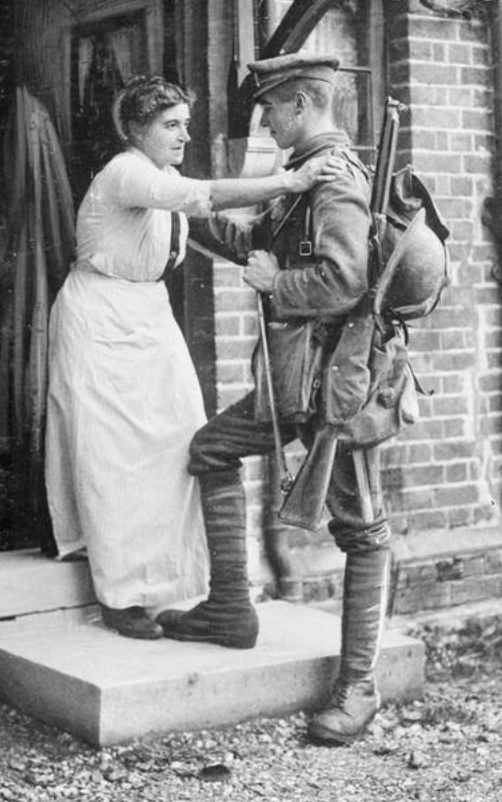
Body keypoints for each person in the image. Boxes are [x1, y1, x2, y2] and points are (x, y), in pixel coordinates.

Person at [45, 75, 343, 641]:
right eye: (170, 125)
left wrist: (283, 226)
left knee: (177, 442)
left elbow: (214, 224)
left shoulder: (165, 176)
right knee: (111, 454)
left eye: (186, 123)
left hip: (148, 314)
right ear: (135, 130)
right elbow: (199, 196)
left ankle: (172, 582)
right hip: (101, 313)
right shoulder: (126, 172)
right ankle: (119, 594)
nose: (184, 135)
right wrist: (292, 177)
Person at [157, 55, 392, 745]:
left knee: (362, 528)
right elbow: (254, 242)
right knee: (211, 450)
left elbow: (344, 280)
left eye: (271, 110)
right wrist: (180, 195)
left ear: (301, 104)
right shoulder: (305, 178)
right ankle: (231, 606)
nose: (265, 122)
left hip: (336, 388)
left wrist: (275, 284)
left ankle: (360, 685)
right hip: (294, 382)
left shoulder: (337, 179)